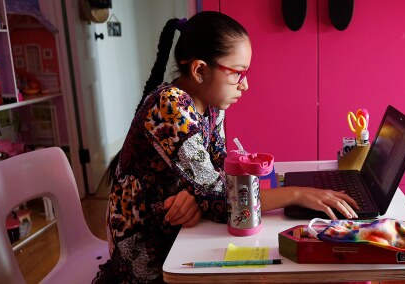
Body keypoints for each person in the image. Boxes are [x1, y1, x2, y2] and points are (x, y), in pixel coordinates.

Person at [94, 11, 359, 283]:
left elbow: (221, 174)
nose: (245, 85)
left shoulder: (210, 106)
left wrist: (201, 197)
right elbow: (225, 199)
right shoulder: (171, 106)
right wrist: (296, 194)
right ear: (199, 70)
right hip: (147, 252)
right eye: (237, 73)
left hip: (175, 225)